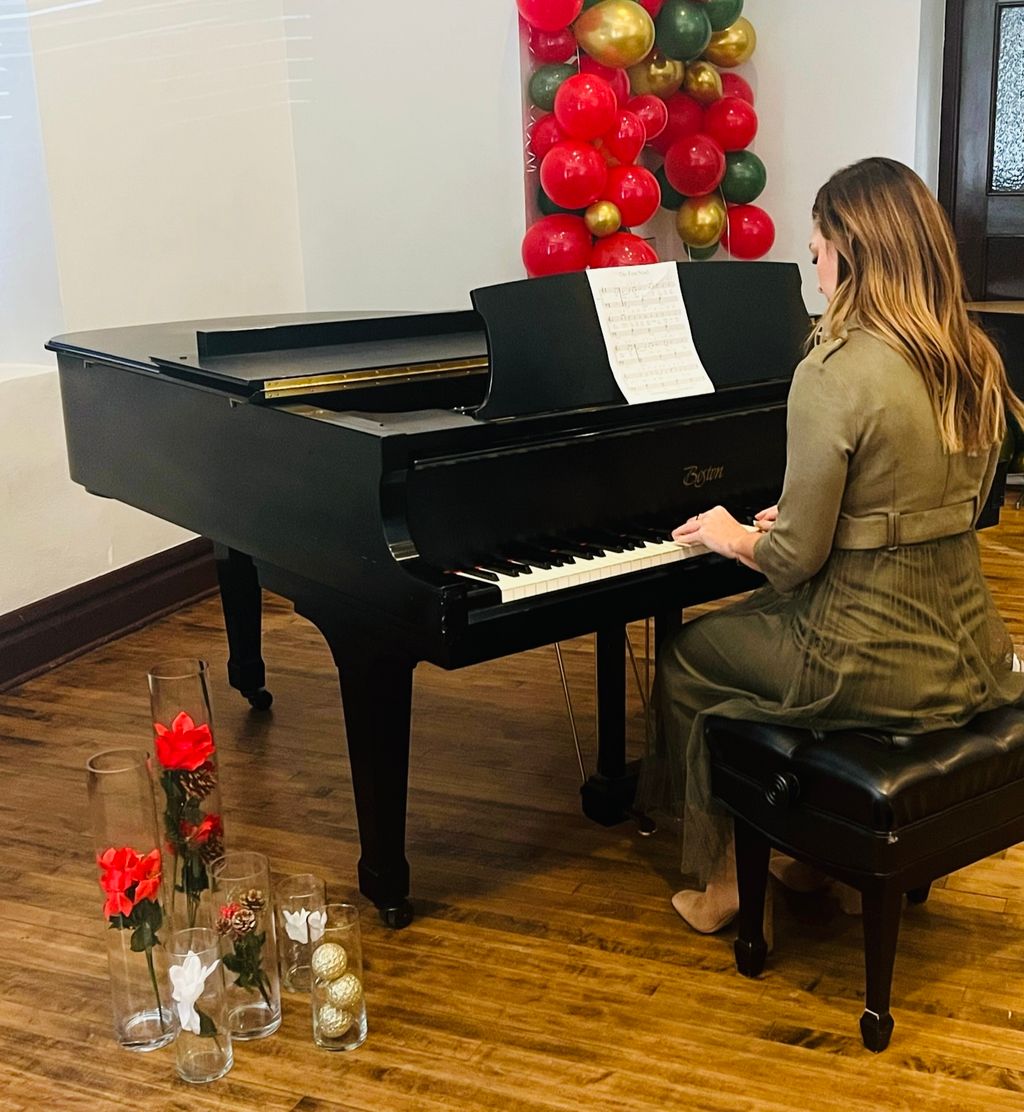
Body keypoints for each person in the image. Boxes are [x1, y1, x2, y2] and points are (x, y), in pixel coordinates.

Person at [641, 157, 1024, 933]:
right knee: (753, 644)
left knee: (689, 660)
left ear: (850, 248)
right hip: (969, 650)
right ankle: (808, 852)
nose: (814, 271)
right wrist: (831, 520)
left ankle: (723, 885)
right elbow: (937, 503)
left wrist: (731, 534)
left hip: (864, 655)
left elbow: (792, 565)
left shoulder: (834, 371)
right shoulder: (973, 359)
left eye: (816, 250)